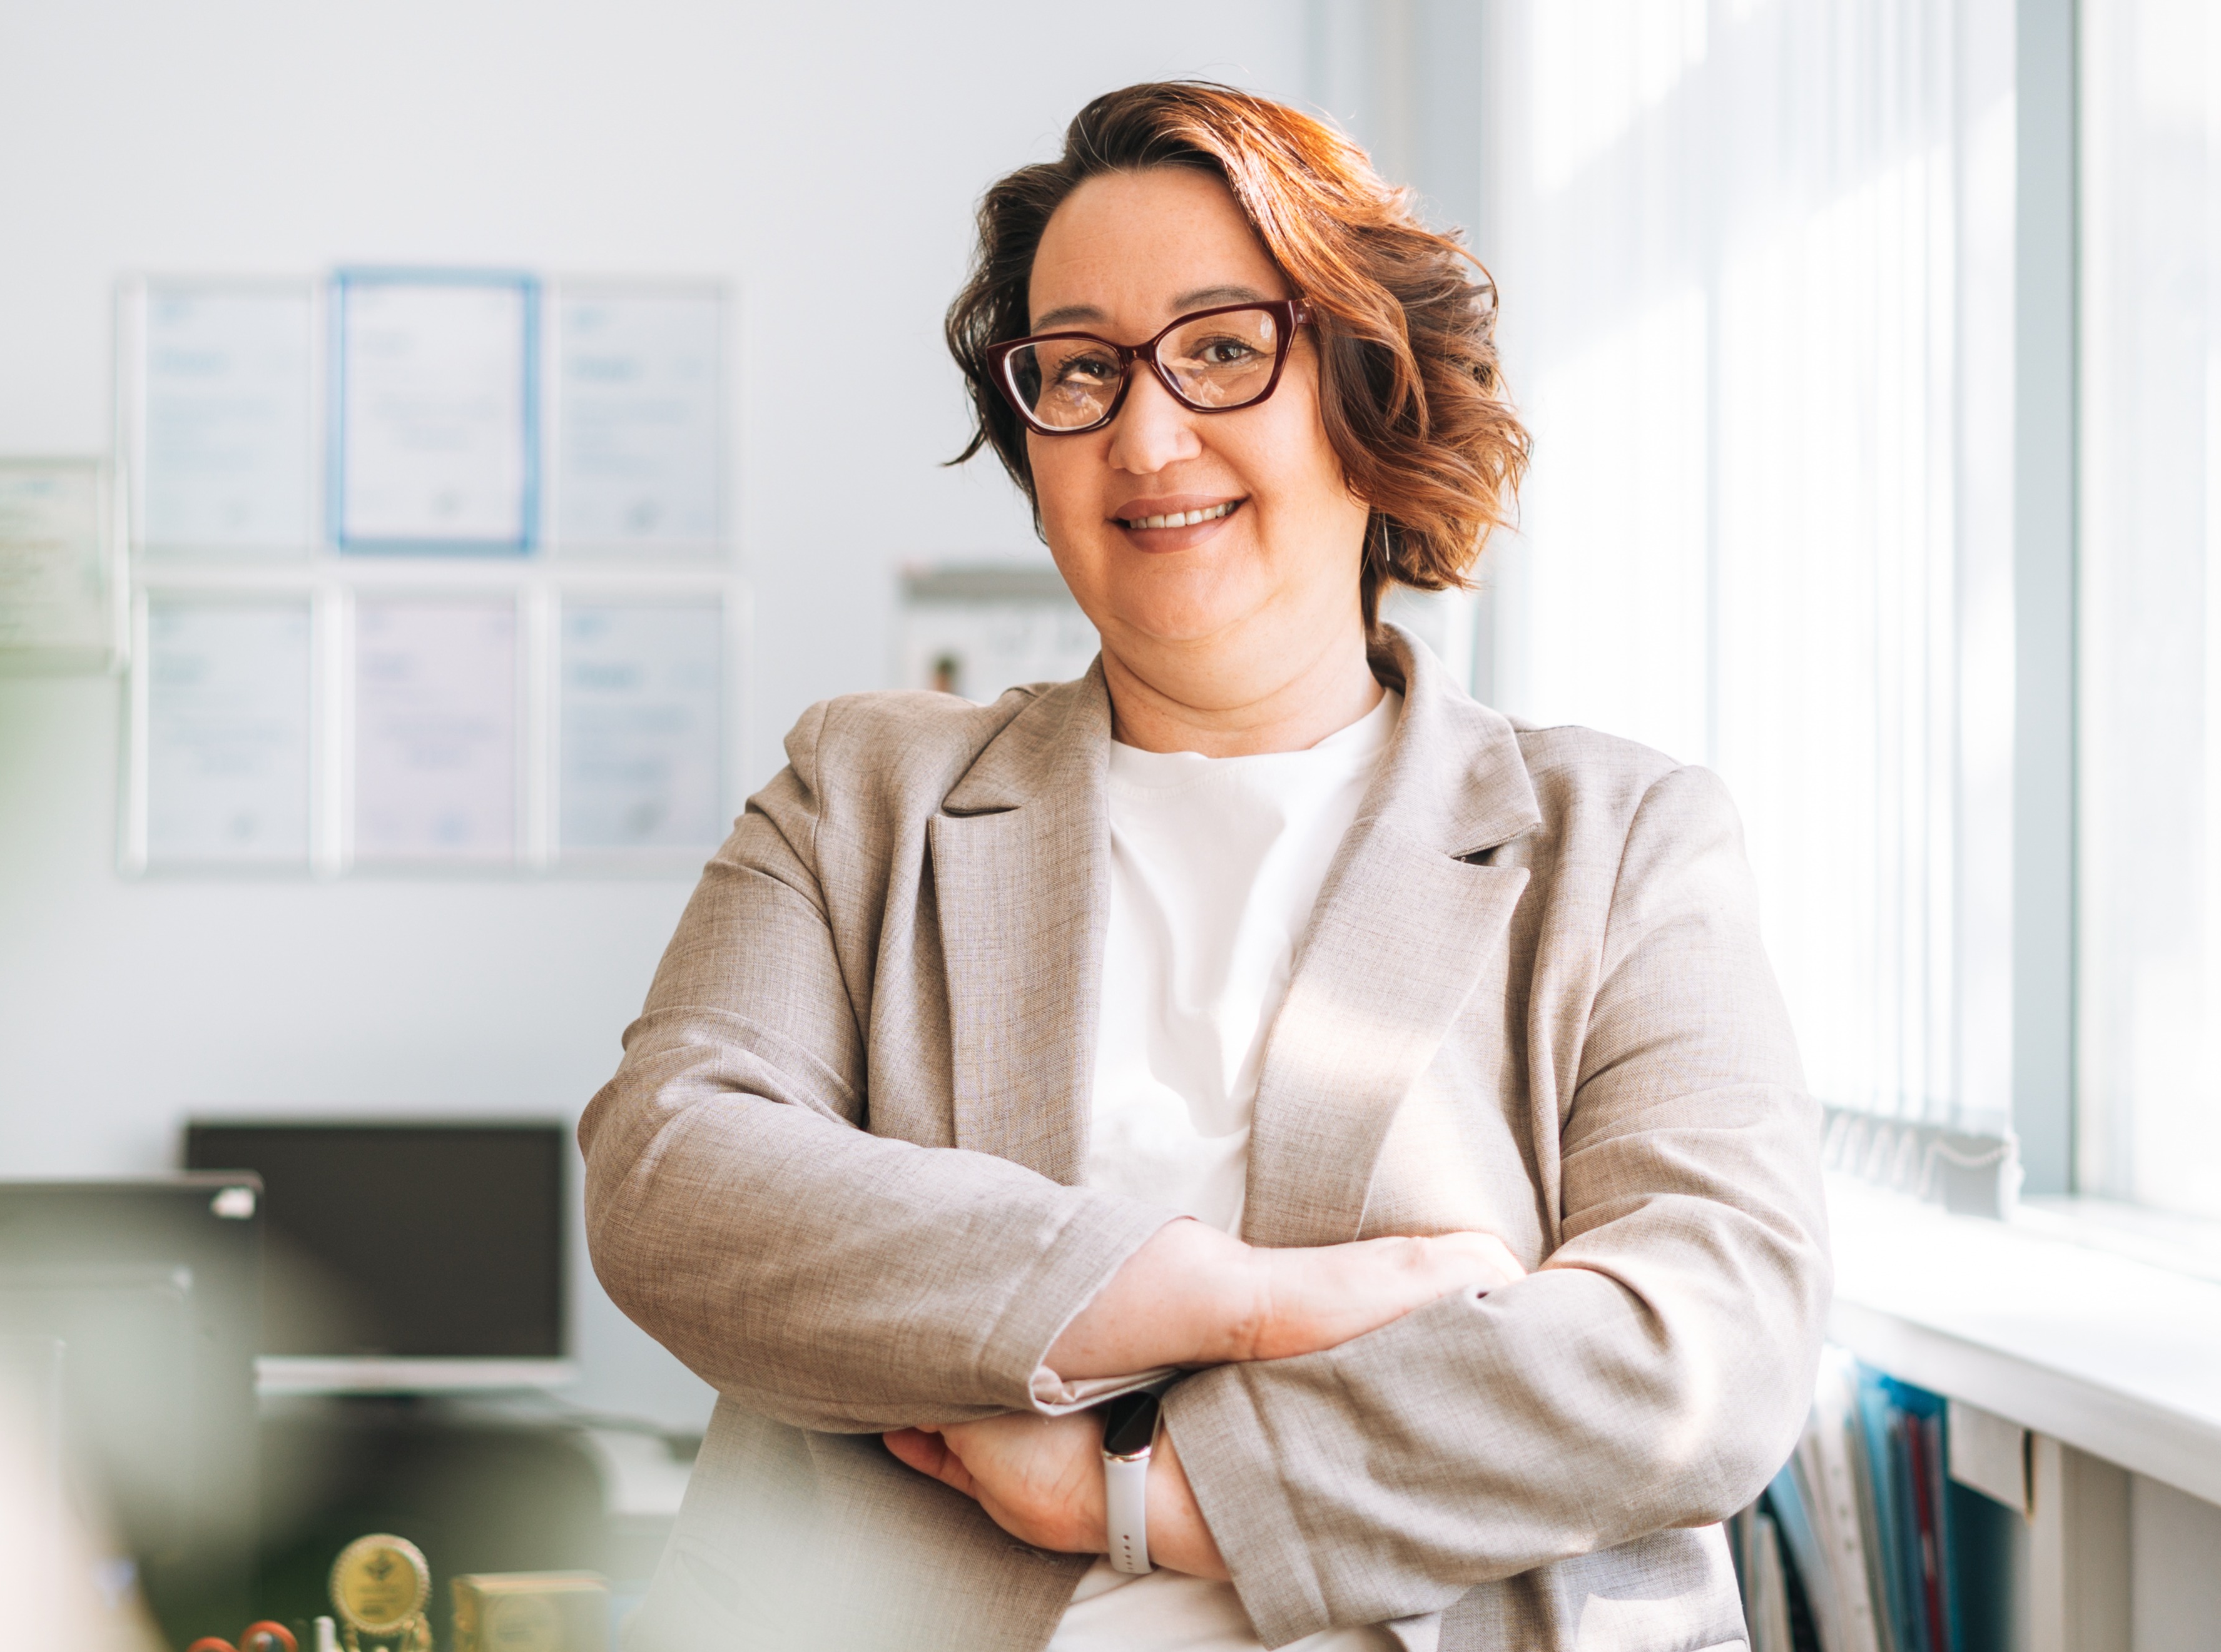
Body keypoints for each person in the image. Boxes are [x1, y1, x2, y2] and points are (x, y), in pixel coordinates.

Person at [579, 81, 1827, 1652]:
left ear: (1369, 392)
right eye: (1079, 372)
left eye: (1223, 348)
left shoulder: (1622, 841)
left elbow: (1701, 1348)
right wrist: (1221, 1296)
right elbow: (670, 1181)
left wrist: (1140, 1490)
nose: (1145, 435)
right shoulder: (862, 795)